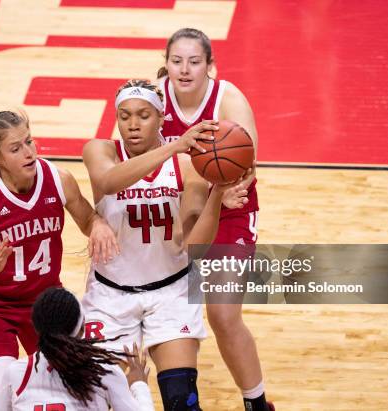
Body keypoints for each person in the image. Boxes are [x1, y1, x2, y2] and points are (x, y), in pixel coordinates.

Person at [81, 79, 249, 411]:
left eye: (144, 115)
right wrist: (174, 146)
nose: (132, 124)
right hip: (111, 296)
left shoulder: (188, 165)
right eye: (124, 115)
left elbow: (192, 244)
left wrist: (216, 195)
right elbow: (107, 182)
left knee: (182, 403)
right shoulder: (101, 151)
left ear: (161, 118)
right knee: (105, 402)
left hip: (170, 293)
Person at [0, 110, 118, 410]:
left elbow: (88, 219)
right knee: (8, 401)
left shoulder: (59, 180)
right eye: (16, 148)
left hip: (45, 307)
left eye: (29, 141)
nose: (28, 152)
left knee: (80, 392)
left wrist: (99, 225)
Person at [156, 28, 273, 411]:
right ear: (166, 63)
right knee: (160, 310)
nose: (185, 69)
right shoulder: (153, 100)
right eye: (177, 61)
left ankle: (257, 403)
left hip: (229, 206)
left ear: (210, 66)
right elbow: (127, 155)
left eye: (194, 61)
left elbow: (246, 163)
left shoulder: (228, 98)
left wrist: (218, 186)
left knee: (222, 314)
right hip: (174, 212)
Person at [0, 287, 155, 411]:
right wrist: (139, 385)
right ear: (82, 328)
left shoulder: (16, 372)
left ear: (36, 326)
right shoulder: (105, 372)